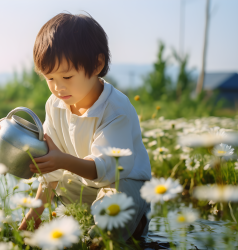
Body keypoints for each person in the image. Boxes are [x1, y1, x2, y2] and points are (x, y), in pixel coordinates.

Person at [18, 12, 152, 241]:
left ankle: (132, 223)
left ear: (97, 64)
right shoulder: (56, 105)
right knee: (62, 192)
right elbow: (54, 168)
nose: (58, 87)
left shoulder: (115, 109)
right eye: (50, 78)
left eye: (67, 76)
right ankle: (85, 224)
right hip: (83, 183)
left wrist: (62, 160)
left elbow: (108, 168)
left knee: (106, 223)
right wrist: (34, 214)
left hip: (122, 184)